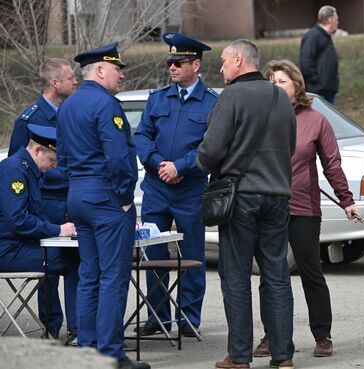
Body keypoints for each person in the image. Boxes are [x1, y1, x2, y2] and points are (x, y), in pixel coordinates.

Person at [197, 39, 296, 369]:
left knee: (236, 277)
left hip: (240, 197)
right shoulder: (281, 97)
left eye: (224, 61)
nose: (221, 68)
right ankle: (283, 356)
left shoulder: (231, 97)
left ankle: (239, 356)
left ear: (239, 59)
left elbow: (210, 152)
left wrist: (204, 163)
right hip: (278, 196)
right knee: (277, 275)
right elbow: (290, 145)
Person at [252, 59, 360, 359]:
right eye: (271, 82)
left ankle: (322, 335)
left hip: (304, 208)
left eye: (281, 81)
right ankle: (271, 336)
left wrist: (346, 200)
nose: (275, 86)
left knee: (311, 272)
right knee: (271, 276)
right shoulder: (261, 117)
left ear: (296, 85)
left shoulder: (315, 120)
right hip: (268, 208)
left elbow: (332, 165)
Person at [56, 43, 148, 369]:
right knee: (113, 277)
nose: (121, 75)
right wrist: (124, 198)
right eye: (117, 69)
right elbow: (120, 157)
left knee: (89, 275)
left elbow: (63, 160)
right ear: (99, 71)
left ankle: (88, 349)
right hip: (107, 200)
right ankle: (110, 354)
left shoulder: (67, 106)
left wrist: (75, 192)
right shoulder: (106, 104)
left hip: (79, 197)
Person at [134, 32, 217, 337]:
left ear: (195, 65)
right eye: (170, 62)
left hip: (189, 189)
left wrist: (180, 166)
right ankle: (157, 317)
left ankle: (188, 319)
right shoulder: (158, 98)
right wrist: (159, 164)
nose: (172, 67)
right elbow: (141, 136)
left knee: (191, 256)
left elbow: (212, 147)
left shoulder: (211, 103)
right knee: (153, 256)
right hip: (157, 188)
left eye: (178, 62)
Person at [7, 57, 78, 343]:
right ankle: (51, 324)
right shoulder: (29, 119)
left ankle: (77, 327)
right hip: (45, 201)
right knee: (48, 268)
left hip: (70, 202)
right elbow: (20, 169)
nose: (75, 82)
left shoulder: (71, 112)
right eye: (70, 78)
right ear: (54, 82)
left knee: (73, 258)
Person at [299, 5, 340, 104]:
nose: (338, 22)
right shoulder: (313, 36)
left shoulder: (325, 36)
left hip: (328, 92)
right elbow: (305, 63)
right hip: (318, 93)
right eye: (336, 19)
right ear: (329, 20)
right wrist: (318, 81)